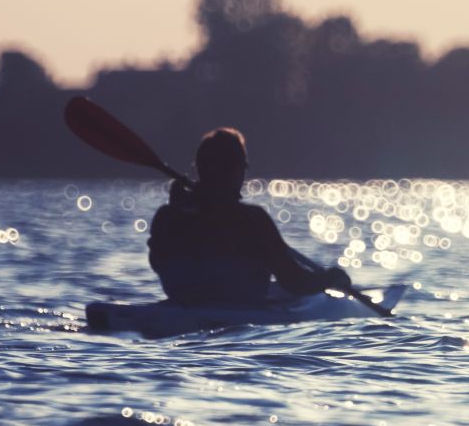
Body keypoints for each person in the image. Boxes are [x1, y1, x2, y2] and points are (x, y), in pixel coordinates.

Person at [147, 127, 351, 306]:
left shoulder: (167, 216)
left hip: (183, 302)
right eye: (242, 168)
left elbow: (157, 262)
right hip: (240, 309)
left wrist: (182, 212)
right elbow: (292, 281)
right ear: (235, 171)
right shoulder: (253, 220)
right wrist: (328, 280)